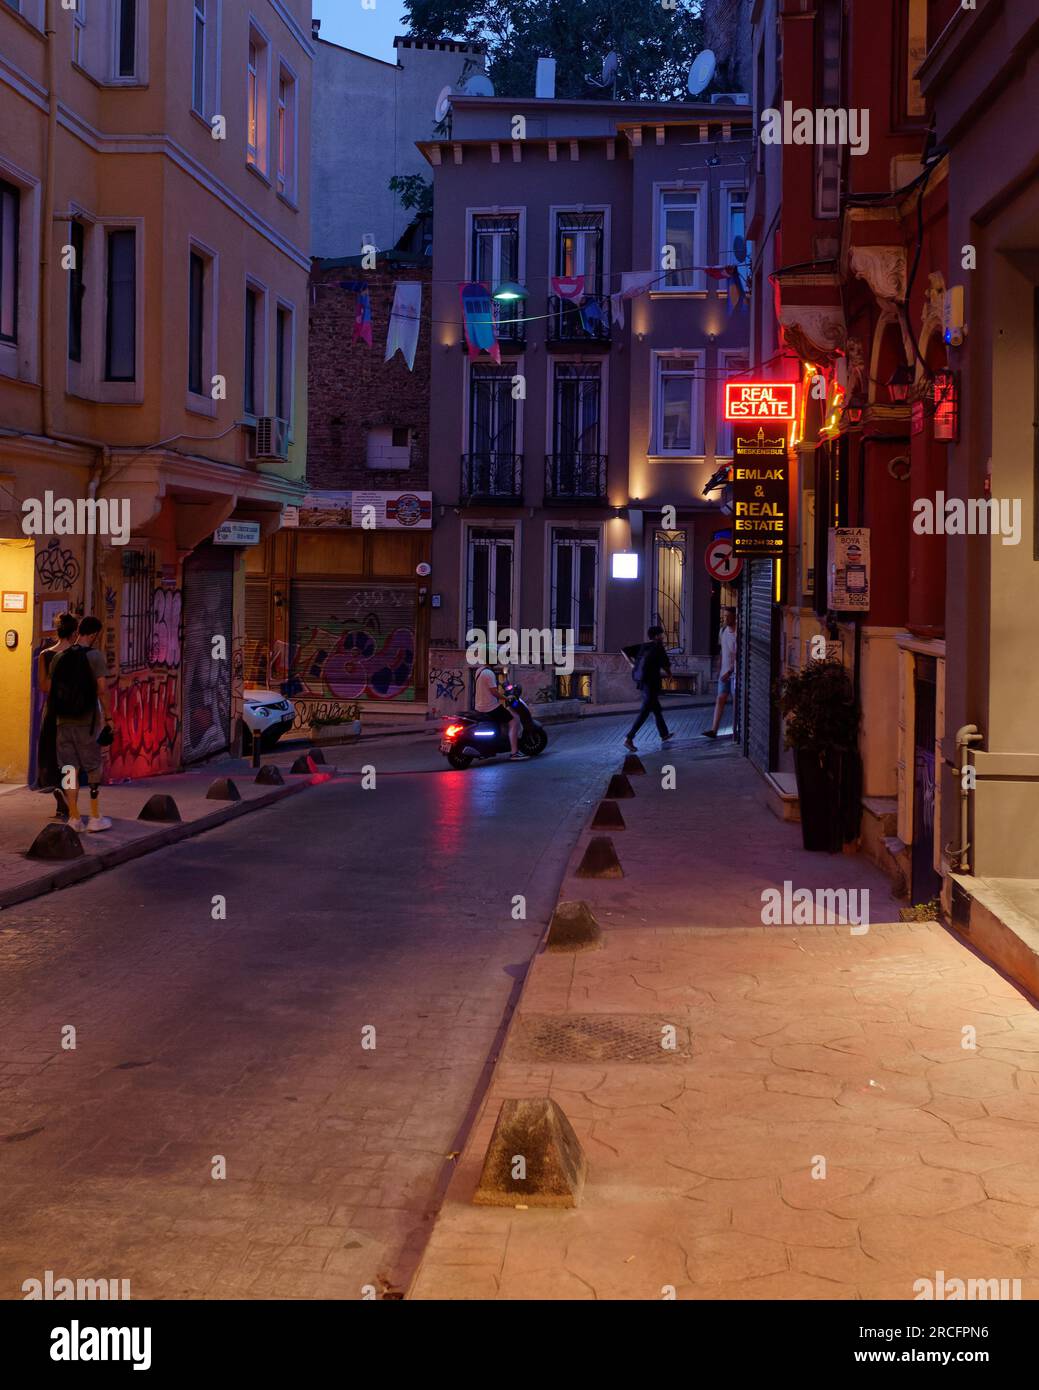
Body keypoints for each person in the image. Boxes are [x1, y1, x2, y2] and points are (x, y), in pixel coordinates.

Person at [51, 615, 113, 832]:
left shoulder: (58, 658)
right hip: (87, 722)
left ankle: (75, 817)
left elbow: (52, 689)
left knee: (69, 769)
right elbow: (102, 689)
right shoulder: (94, 656)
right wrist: (109, 717)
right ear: (94, 634)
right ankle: (95, 816)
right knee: (94, 765)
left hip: (62, 723)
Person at [35, 612, 79, 821]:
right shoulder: (79, 655)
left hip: (52, 710)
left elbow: (43, 686)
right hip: (73, 713)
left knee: (51, 754)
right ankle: (71, 801)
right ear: (74, 633)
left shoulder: (45, 654)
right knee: (70, 760)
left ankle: (58, 792)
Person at [623, 625, 673, 751]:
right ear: (656, 636)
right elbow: (666, 665)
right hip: (652, 683)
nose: (663, 637)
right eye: (661, 634)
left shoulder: (643, 646)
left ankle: (664, 734)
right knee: (645, 711)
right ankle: (629, 738)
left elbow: (623, 650)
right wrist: (670, 675)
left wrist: (631, 664)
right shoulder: (658, 647)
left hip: (643, 682)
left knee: (656, 709)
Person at [473, 659, 526, 761]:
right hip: (490, 707)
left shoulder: (479, 670)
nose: (497, 659)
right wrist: (506, 698)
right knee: (513, 720)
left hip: (479, 706)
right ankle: (514, 752)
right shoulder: (489, 673)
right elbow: (494, 692)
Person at [704, 606, 737, 739]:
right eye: (724, 616)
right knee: (720, 699)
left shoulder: (738, 633)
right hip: (724, 673)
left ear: (735, 617)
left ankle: (736, 730)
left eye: (728, 616)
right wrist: (719, 669)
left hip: (734, 674)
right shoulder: (722, 631)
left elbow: (739, 656)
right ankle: (714, 730)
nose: (725, 618)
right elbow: (722, 651)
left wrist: (729, 672)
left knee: (736, 702)